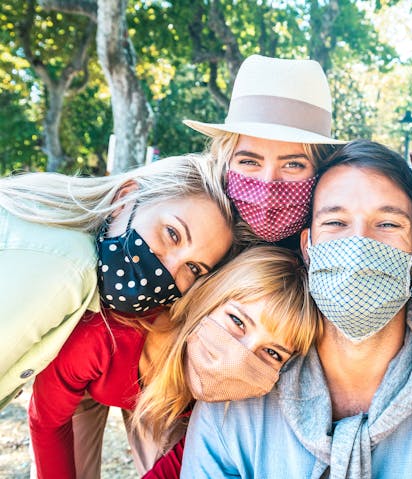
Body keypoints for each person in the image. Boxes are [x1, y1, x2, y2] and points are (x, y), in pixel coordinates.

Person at [181, 140, 412, 478]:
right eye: (335, 223)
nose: (360, 243)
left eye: (388, 224)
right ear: (308, 247)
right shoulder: (238, 394)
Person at [29, 246, 319, 479]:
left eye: (273, 353)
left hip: (171, 402)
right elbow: (47, 422)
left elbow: (175, 466)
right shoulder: (106, 334)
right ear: (209, 296)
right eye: (236, 321)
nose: (238, 358)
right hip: (89, 387)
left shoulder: (235, 396)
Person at [0, 153, 242, 410]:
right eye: (172, 233)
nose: (169, 270)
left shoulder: (68, 248)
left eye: (193, 267)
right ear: (125, 199)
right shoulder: (69, 268)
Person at [184, 54, 344, 248]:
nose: (268, 185)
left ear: (320, 169)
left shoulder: (336, 243)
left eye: (293, 165)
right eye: (249, 162)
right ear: (226, 160)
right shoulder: (188, 227)